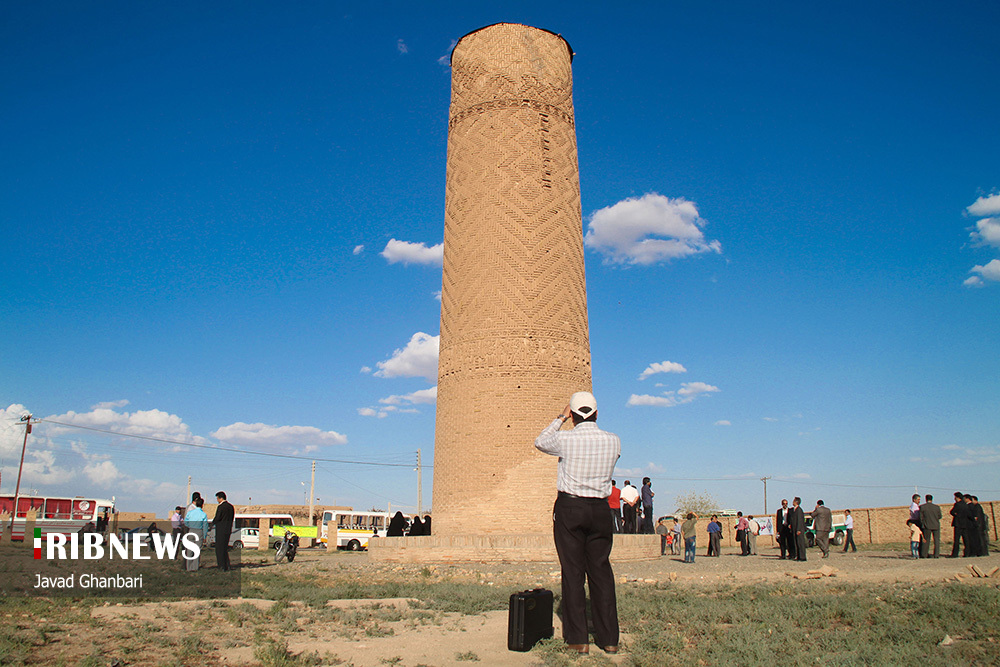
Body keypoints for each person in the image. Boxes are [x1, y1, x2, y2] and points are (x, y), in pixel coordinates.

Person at [535, 391, 620, 655]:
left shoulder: (566, 439)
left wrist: (560, 418)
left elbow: (540, 441)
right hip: (601, 510)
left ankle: (578, 640)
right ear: (597, 414)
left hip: (571, 508)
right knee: (601, 571)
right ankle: (609, 639)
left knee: (573, 572)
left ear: (572, 415)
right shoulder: (613, 440)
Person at [211, 491, 235, 571]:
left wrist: (212, 524)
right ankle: (227, 565)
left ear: (221, 498)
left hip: (221, 530)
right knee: (225, 548)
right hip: (228, 529)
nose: (217, 500)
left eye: (217, 498)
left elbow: (218, 517)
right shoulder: (231, 507)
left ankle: (221, 566)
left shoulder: (221, 507)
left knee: (219, 548)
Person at [184, 497, 208, 572]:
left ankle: (189, 567)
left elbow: (185, 521)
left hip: (191, 530)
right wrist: (204, 536)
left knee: (189, 550)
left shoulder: (190, 513)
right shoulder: (203, 514)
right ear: (202, 505)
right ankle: (195, 567)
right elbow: (205, 526)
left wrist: (190, 526)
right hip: (199, 531)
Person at [949, 491, 969, 558]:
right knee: (966, 539)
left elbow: (952, 512)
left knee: (957, 540)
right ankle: (967, 553)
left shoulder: (957, 504)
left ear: (957, 497)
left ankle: (955, 554)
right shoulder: (965, 505)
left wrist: (956, 514)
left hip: (958, 524)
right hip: (965, 523)